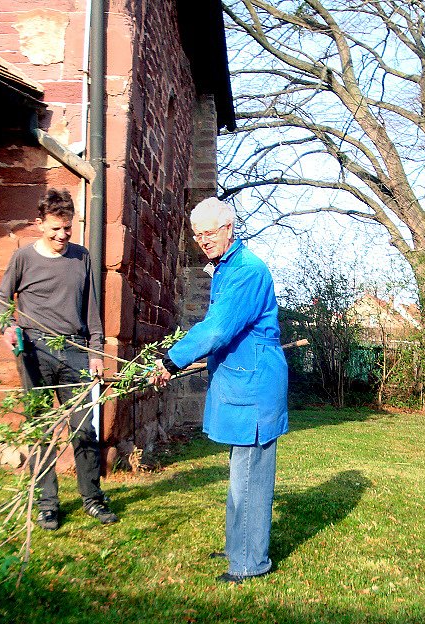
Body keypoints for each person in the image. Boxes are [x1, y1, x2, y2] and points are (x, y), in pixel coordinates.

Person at [153, 196, 288, 583]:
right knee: (240, 472)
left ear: (229, 227)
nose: (203, 240)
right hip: (242, 379)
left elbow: (216, 329)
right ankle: (238, 547)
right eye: (197, 235)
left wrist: (170, 360)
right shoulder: (228, 268)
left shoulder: (246, 271)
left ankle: (249, 562)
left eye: (209, 232)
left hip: (254, 385)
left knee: (250, 476)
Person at [0, 188, 118, 530]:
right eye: (55, 229)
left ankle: (92, 498)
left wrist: (96, 350)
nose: (62, 236)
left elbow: (91, 307)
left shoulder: (82, 257)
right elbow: (3, 298)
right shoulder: (23, 258)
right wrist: (8, 328)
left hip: (76, 352)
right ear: (39, 225)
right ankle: (47, 504)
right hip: (34, 351)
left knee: (84, 428)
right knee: (41, 429)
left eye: (67, 228)